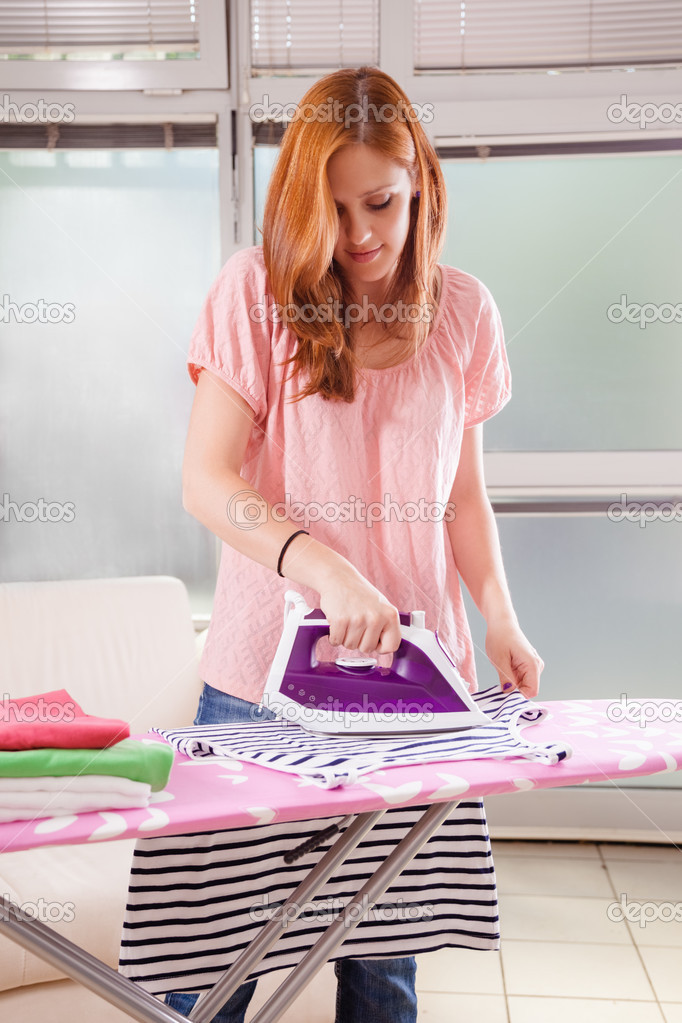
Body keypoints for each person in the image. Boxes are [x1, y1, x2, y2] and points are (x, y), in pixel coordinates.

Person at [166, 65, 543, 1023]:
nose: (359, 235)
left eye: (380, 202)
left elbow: (463, 500)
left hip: (414, 693)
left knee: (381, 968)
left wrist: (499, 616)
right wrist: (324, 569)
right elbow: (209, 481)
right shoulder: (255, 295)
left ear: (421, 184)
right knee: (210, 966)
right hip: (261, 679)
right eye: (331, 210)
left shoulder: (464, 314)